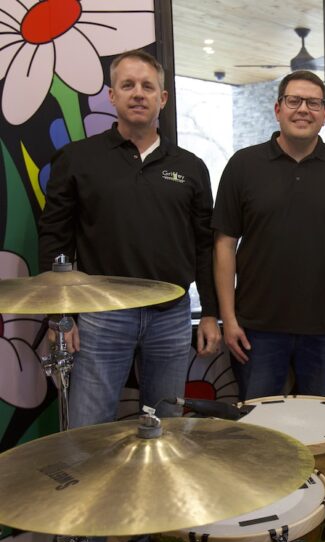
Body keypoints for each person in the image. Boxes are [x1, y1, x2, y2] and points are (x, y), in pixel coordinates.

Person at [38, 49, 220, 427]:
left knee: (165, 425)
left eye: (148, 86)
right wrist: (61, 316)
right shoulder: (77, 159)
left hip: (171, 314)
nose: (138, 93)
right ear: (112, 95)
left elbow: (205, 244)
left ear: (162, 98)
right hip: (101, 316)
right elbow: (55, 238)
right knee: (87, 428)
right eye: (128, 85)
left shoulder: (190, 166)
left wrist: (212, 314)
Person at [212, 70, 325, 400]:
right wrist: (229, 318)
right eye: (294, 100)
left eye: (313, 103)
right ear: (278, 108)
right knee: (259, 434)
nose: (303, 109)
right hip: (256, 328)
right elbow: (224, 244)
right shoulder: (243, 165)